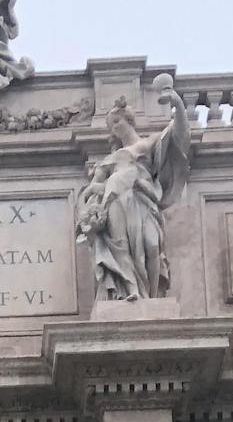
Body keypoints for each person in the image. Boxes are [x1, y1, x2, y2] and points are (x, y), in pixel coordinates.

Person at [76, 78, 192, 302]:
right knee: (120, 246)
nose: (114, 127)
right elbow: (91, 190)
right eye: (111, 125)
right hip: (115, 202)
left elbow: (179, 136)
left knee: (151, 244)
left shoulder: (148, 144)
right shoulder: (109, 160)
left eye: (117, 121)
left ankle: (151, 297)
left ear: (128, 119)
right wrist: (90, 208)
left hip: (142, 201)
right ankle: (132, 290)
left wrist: (177, 104)